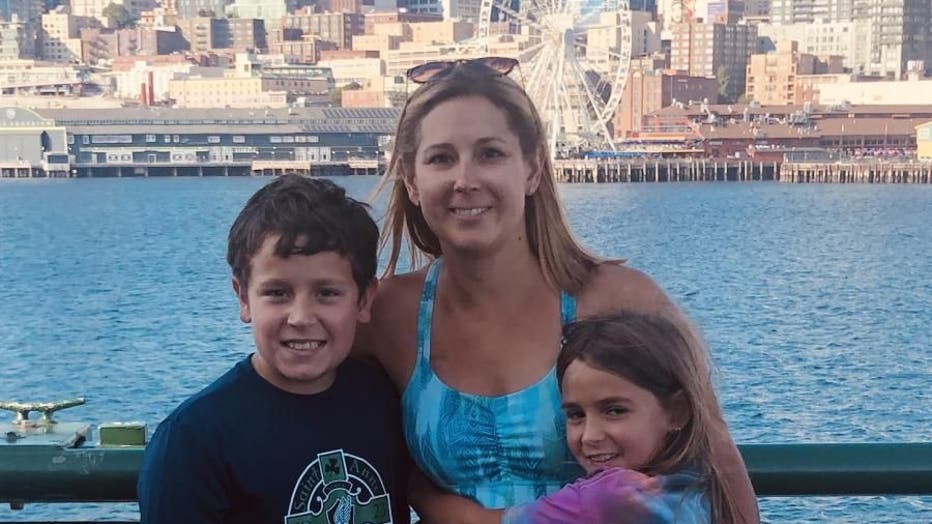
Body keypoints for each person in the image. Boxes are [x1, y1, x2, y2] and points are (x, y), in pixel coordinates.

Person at [355, 57, 759, 522]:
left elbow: (717, 463)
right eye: (441, 158)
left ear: (531, 170)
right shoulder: (387, 315)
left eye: (490, 154)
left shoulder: (618, 300)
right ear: (412, 179)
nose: (465, 180)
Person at [138, 175, 410, 524]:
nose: (300, 317)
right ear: (243, 297)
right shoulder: (193, 442)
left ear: (364, 299)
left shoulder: (386, 402)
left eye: (327, 293)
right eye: (277, 293)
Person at [500, 310, 738, 523]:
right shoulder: (700, 483)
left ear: (677, 412)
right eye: (576, 415)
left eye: (614, 411)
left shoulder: (610, 497)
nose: (589, 436)